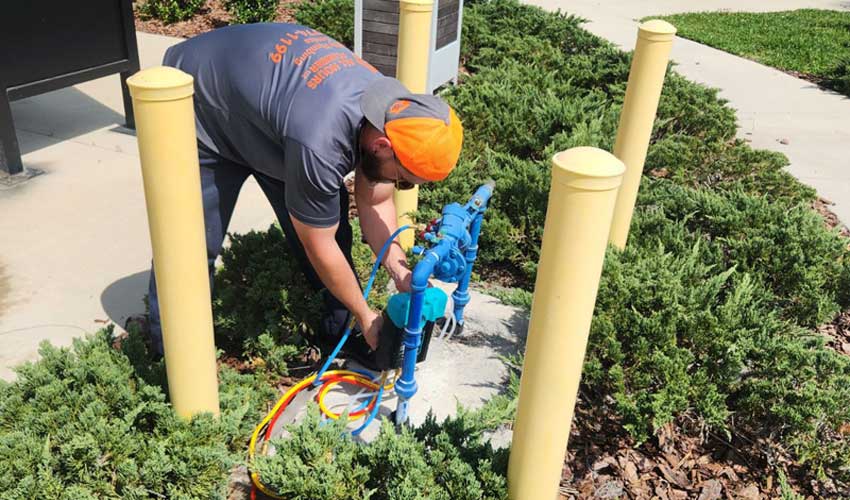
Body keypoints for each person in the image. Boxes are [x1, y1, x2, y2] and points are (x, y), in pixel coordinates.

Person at [140, 22, 463, 360]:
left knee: (330, 223)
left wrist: (400, 271)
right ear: (382, 144)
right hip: (196, 101)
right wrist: (367, 315)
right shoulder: (320, 142)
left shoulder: (391, 112)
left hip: (270, 117)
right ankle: (170, 360)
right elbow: (318, 245)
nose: (401, 187)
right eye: (405, 180)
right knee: (189, 248)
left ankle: (337, 335)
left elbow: (376, 199)